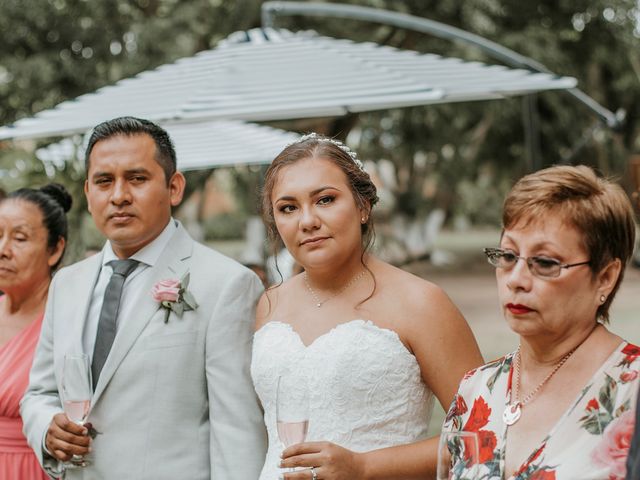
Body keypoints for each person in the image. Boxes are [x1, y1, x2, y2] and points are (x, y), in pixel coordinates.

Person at [21, 117, 267, 479]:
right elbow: (39, 393)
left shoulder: (227, 285)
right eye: (104, 181)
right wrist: (46, 427)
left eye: (137, 179)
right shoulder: (67, 284)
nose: (119, 195)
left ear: (174, 187)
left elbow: (237, 432)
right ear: (88, 193)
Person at [252, 133, 483, 479]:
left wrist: (364, 467)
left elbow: (483, 434)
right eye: (288, 208)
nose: (307, 220)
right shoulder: (270, 303)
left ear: (363, 206)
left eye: (325, 200)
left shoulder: (421, 302)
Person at [443, 165, 639, 480]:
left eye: (545, 262)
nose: (516, 280)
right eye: (507, 256)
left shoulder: (631, 390)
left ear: (605, 277)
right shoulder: (476, 388)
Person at [0, 183, 70, 480]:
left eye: (19, 238)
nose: (3, 250)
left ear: (54, 250)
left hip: (32, 468)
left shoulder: (69, 322)